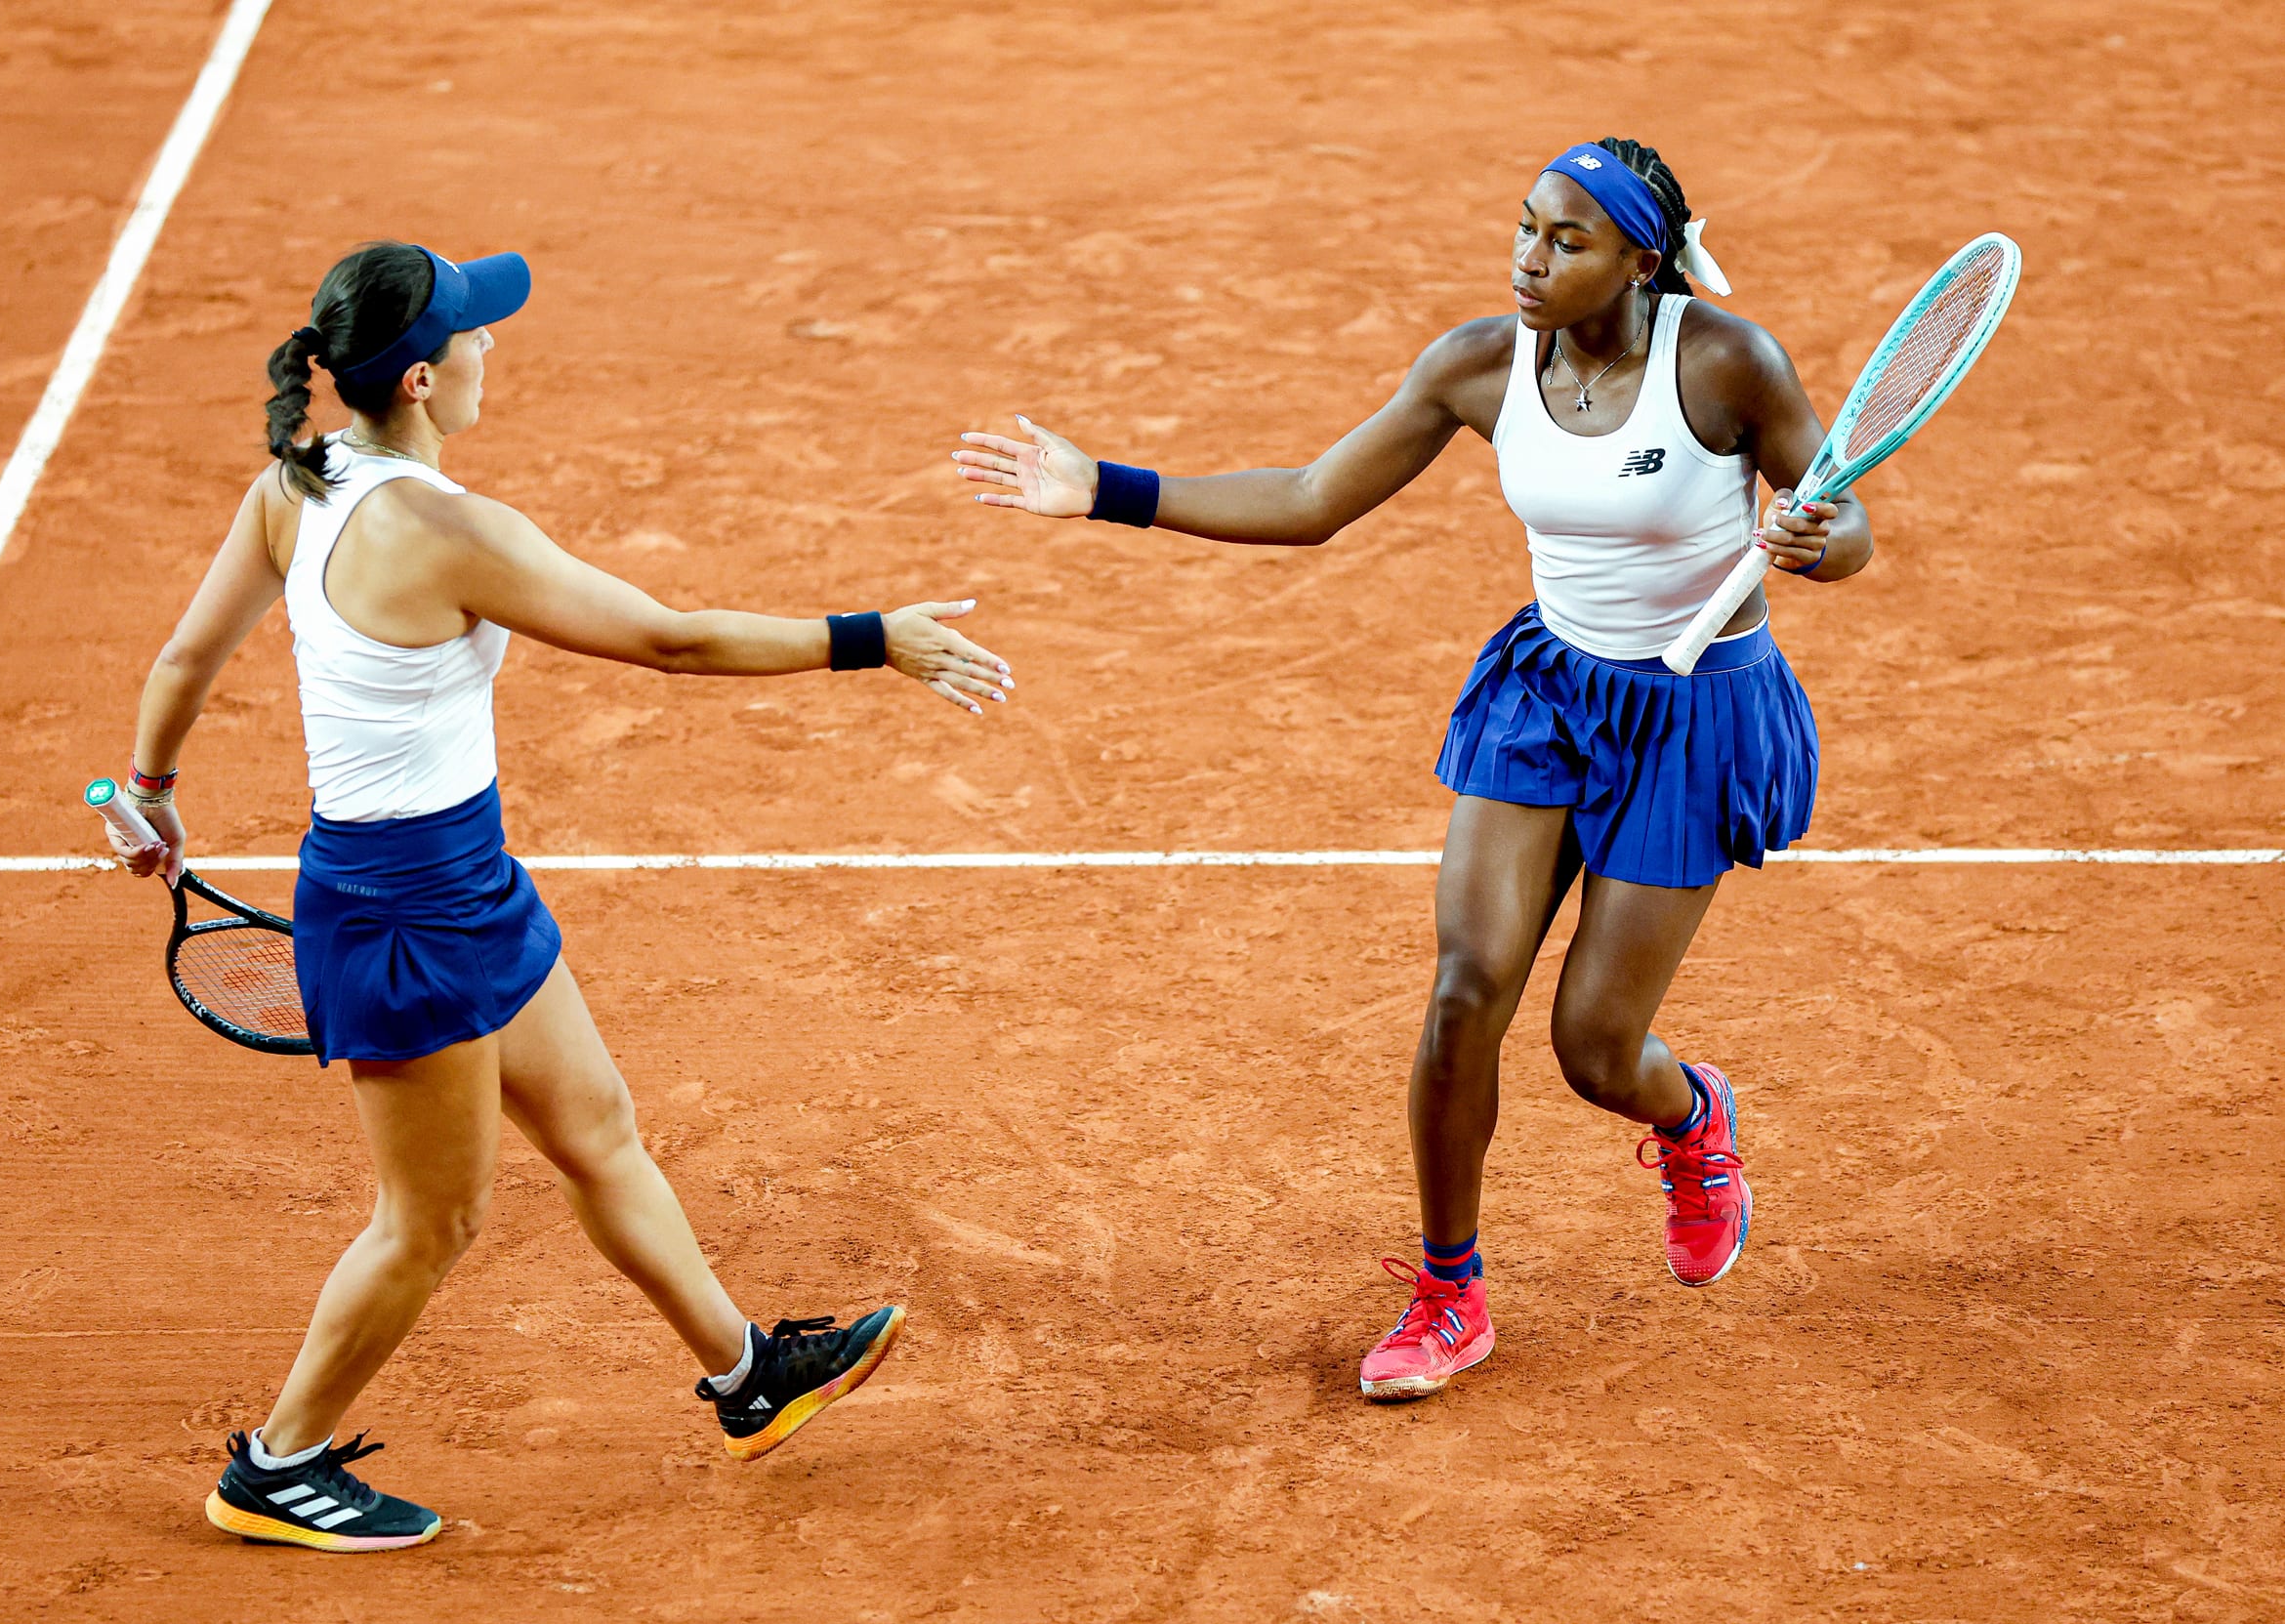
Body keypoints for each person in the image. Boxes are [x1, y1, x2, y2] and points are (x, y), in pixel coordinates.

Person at [104, 240, 1015, 1550]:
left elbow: (190, 650)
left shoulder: (293, 488)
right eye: (474, 333)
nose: (494, 346)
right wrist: (874, 638)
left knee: (595, 1124)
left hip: (460, 879)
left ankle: (746, 1376)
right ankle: (276, 1462)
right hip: (404, 915)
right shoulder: (445, 531)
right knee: (433, 1222)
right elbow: (670, 639)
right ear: (422, 377)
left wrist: (150, 782)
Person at [952, 139, 1866, 1401]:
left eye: (1568, 242)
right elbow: (1316, 496)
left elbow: (1848, 520)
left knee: (1595, 1051)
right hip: (1549, 693)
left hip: (1698, 713)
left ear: (1641, 261)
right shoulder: (1482, 364)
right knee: (1461, 992)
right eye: (1527, 228)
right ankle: (1450, 1293)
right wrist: (1103, 489)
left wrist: (1819, 542)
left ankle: (1689, 1116)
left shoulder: (1724, 363)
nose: (1531, 260)